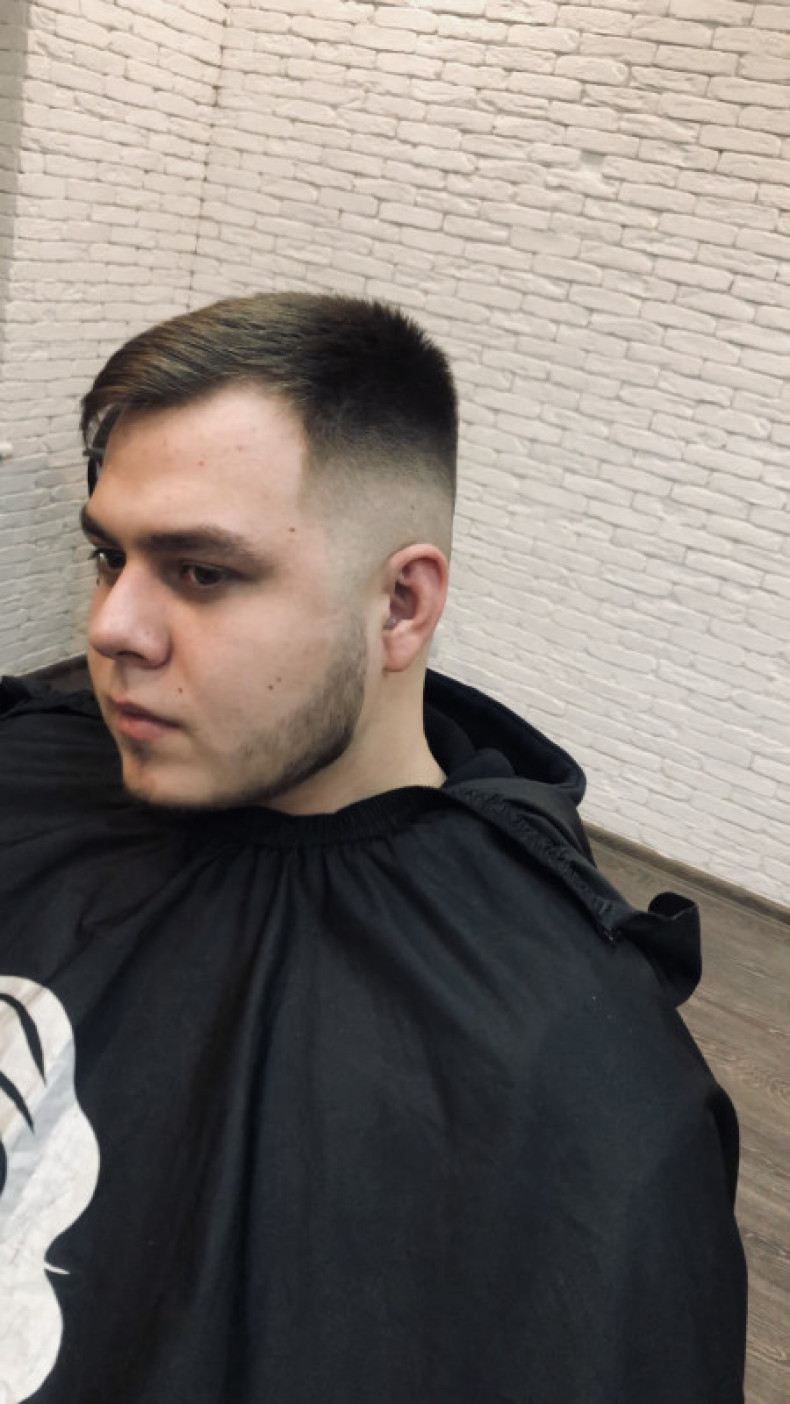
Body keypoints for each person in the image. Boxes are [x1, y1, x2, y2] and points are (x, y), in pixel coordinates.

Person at [0, 292, 746, 1403]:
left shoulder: (573, 1084)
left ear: (401, 604)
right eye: (110, 556)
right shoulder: (27, 772)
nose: (110, 628)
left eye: (202, 572)